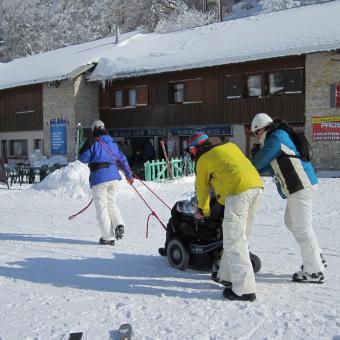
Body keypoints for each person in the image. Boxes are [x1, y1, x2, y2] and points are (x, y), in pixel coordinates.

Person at [250, 113, 326, 283]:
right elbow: (267, 168)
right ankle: (316, 256)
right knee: (291, 222)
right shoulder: (276, 137)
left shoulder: (276, 137)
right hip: (298, 187)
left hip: (301, 186)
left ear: (262, 128)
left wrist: (253, 159)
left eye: (256, 133)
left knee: (302, 227)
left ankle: (314, 271)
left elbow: (258, 162)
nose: (257, 137)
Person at [189, 132, 263, 302]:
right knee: (240, 236)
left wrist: (203, 210)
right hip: (257, 188)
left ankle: (244, 290)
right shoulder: (230, 146)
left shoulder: (203, 159)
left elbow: (202, 189)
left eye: (192, 151)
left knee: (234, 241)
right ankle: (226, 276)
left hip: (238, 193)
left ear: (195, 149)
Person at [78, 120, 134, 246]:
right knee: (112, 204)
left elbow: (82, 158)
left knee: (102, 208)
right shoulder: (113, 142)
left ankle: (108, 237)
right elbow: (122, 160)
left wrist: (87, 144)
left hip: (99, 178)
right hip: (114, 177)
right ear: (104, 128)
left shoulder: (92, 142)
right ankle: (119, 224)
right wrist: (129, 176)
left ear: (93, 130)